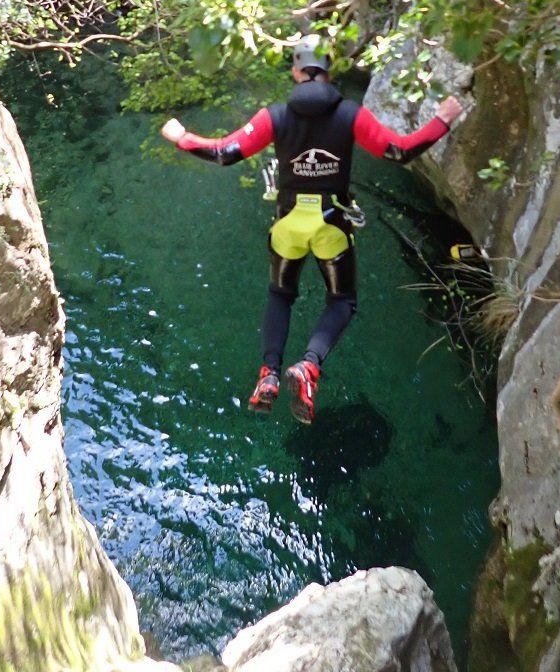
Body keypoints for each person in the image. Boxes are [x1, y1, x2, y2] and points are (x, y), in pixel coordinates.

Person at [160, 36, 463, 424]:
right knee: (341, 302)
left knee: (281, 294)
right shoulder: (351, 114)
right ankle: (309, 367)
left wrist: (181, 137)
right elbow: (399, 151)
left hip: (288, 225)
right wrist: (442, 120)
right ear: (329, 72)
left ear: (295, 72)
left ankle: (268, 374)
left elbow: (225, 152)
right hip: (330, 226)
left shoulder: (276, 116)